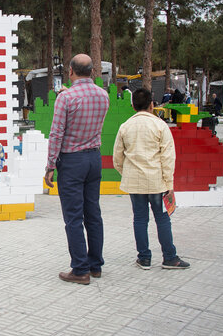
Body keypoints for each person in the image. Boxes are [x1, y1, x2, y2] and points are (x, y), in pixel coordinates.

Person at [44, 54, 109, 285]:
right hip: (94, 159)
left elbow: (56, 133)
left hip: (72, 161)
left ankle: (79, 269)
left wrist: (50, 165)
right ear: (92, 71)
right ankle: (95, 265)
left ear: (71, 71)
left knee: (73, 217)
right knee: (94, 214)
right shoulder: (104, 95)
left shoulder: (66, 98)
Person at [113, 88, 190, 270]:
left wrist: (128, 173)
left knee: (140, 220)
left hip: (135, 183)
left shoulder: (125, 126)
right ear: (152, 105)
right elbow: (168, 157)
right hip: (157, 182)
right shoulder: (160, 126)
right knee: (162, 219)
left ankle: (144, 258)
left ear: (133, 105)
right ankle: (170, 258)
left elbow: (117, 158)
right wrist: (169, 182)